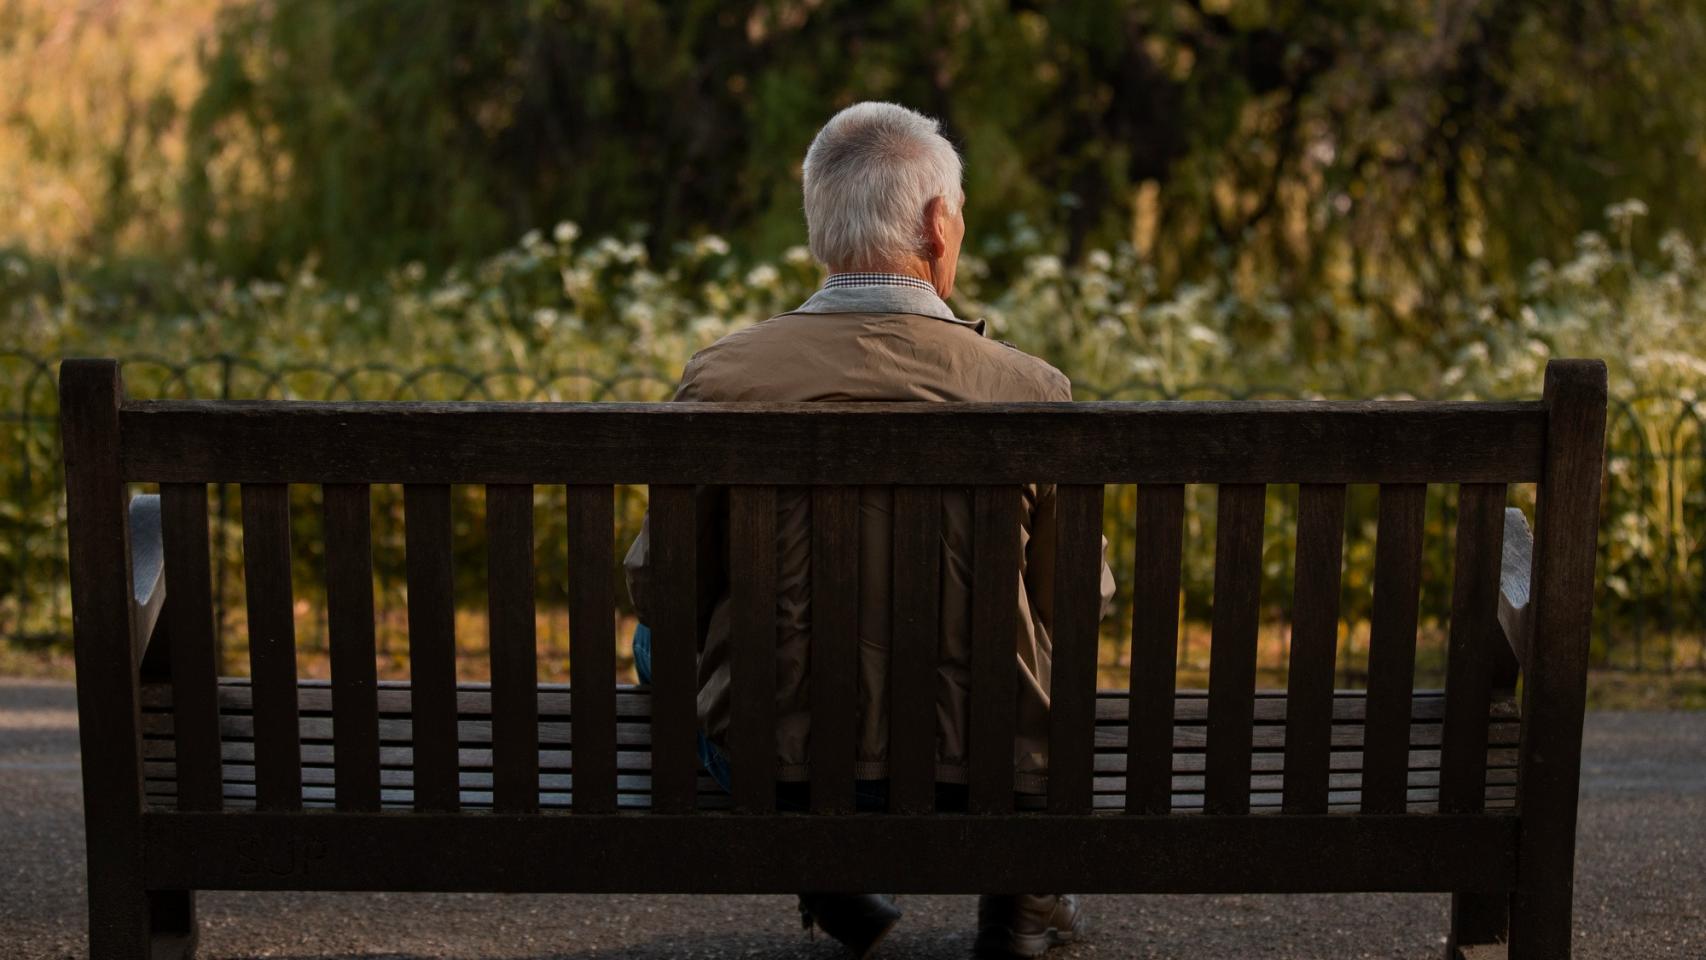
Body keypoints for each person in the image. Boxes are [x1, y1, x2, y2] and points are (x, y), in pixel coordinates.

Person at [623, 101, 1114, 959]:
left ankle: (832, 866)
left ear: (821, 228)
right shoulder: (1029, 389)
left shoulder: (725, 379)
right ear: (936, 224)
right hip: (988, 769)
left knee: (655, 644)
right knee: (1030, 649)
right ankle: (1021, 894)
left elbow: (662, 587)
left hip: (782, 772)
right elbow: (1082, 601)